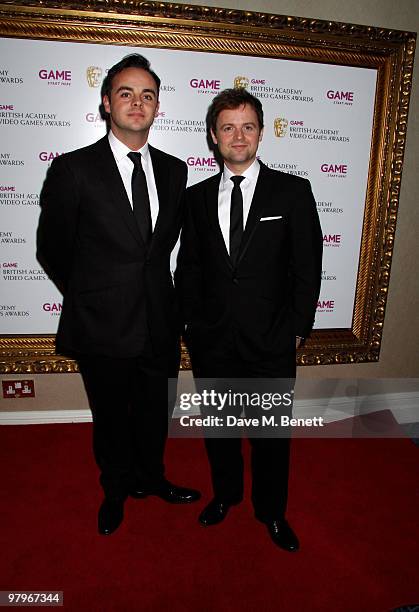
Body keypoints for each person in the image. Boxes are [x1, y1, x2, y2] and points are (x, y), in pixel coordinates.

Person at [37, 54, 200, 536]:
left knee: (156, 412)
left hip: (159, 320)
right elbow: (53, 250)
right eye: (126, 93)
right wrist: (94, 296)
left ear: (158, 108)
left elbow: (165, 250)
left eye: (147, 95)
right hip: (102, 321)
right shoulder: (73, 169)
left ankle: (152, 478)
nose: (137, 102)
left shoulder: (175, 170)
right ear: (106, 103)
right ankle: (115, 490)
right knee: (110, 418)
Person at [175, 88, 322, 552]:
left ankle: (272, 512)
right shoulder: (195, 198)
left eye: (248, 126)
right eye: (228, 127)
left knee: (271, 435)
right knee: (220, 430)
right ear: (213, 137)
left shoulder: (292, 191)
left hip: (271, 339)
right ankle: (226, 495)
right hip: (213, 338)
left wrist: (297, 327)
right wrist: (189, 324)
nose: (238, 136)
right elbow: (191, 267)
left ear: (260, 132)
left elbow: (307, 265)